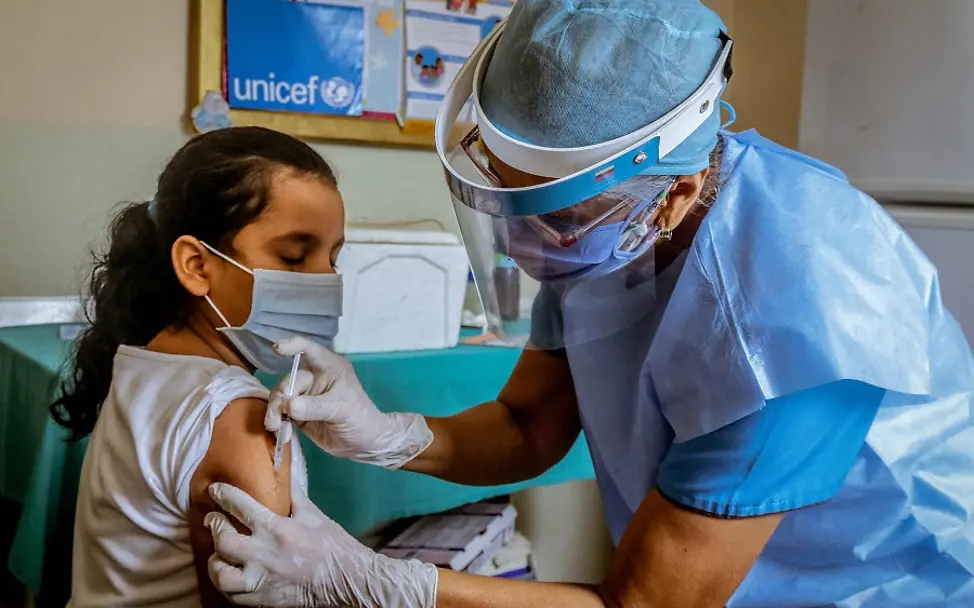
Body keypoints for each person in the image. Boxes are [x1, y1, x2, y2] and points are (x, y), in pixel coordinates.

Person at [204, 1, 974, 607]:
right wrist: (390, 434)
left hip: (874, 584)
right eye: (508, 202)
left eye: (556, 217)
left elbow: (643, 602)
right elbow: (528, 424)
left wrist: (374, 584)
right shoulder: (610, 229)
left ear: (672, 194)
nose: (520, 246)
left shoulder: (795, 319)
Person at [51, 126, 347, 606]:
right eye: (294, 257)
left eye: (334, 258)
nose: (326, 282)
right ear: (196, 264)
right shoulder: (241, 418)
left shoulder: (146, 357)